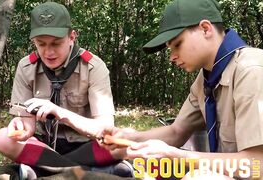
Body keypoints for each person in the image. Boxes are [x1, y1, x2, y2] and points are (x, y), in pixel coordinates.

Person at [97, 0, 263, 179]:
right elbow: (176, 131)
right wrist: (129, 138)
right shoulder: (207, 78)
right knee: (151, 162)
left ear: (205, 29)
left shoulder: (251, 71)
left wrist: (178, 156)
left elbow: (257, 166)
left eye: (177, 44)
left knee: (199, 177)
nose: (172, 57)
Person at [0, 1, 132, 179]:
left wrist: (59, 112)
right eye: (41, 44)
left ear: (72, 37)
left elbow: (105, 129)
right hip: (46, 147)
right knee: (3, 137)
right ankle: (87, 171)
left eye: (56, 43)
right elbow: (27, 125)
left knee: (122, 143)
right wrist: (21, 127)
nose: (48, 51)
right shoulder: (26, 67)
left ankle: (43, 170)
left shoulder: (93, 67)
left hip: (86, 145)